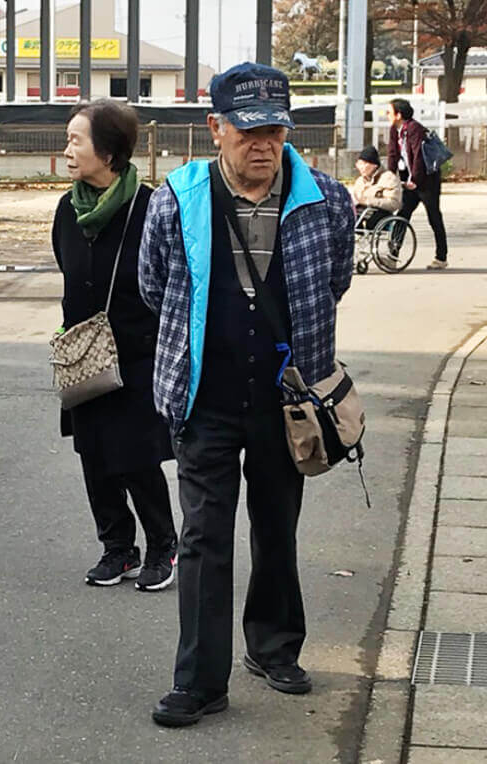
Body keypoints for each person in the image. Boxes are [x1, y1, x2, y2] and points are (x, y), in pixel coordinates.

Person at [139, 62, 354, 727]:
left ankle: (273, 647)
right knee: (204, 536)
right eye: (248, 130)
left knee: (276, 524)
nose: (263, 144)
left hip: (287, 397)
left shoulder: (326, 197)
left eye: (276, 130)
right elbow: (154, 287)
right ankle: (200, 680)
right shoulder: (177, 198)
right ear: (215, 129)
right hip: (205, 394)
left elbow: (334, 281)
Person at [51, 100, 178, 591]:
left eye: (75, 140)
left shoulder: (150, 208)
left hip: (137, 354)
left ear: (107, 151)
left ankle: (164, 546)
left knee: (135, 455)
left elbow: (169, 281)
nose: (67, 150)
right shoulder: (69, 208)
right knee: (94, 454)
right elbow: (68, 269)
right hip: (83, 354)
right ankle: (117, 548)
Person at [386, 98, 449, 270]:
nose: (387, 115)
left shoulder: (414, 129)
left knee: (433, 216)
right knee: (402, 215)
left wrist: (415, 180)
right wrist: (391, 178)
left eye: (389, 112)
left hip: (427, 181)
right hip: (409, 180)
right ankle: (392, 255)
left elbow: (418, 156)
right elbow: (392, 154)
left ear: (399, 114)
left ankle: (441, 257)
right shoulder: (394, 129)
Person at [351, 145, 402, 229]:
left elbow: (394, 203)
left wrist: (370, 201)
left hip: (380, 213)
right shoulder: (360, 180)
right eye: (359, 164)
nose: (360, 167)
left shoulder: (388, 178)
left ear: (374, 165)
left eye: (363, 164)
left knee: (369, 218)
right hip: (362, 211)